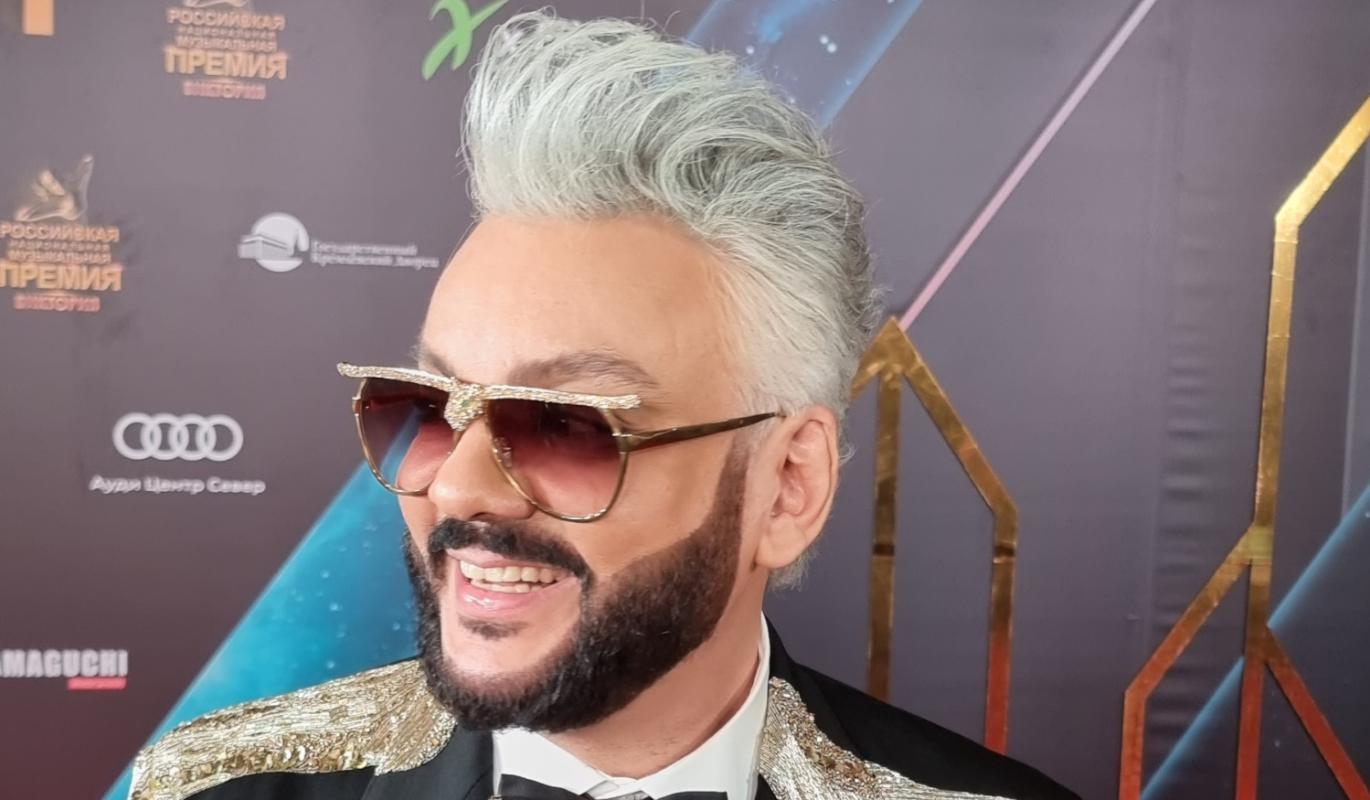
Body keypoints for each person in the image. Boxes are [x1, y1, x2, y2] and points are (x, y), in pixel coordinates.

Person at [131, 12, 1078, 800]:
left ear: (789, 485)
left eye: (565, 426)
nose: (456, 489)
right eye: (427, 407)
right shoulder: (217, 788)